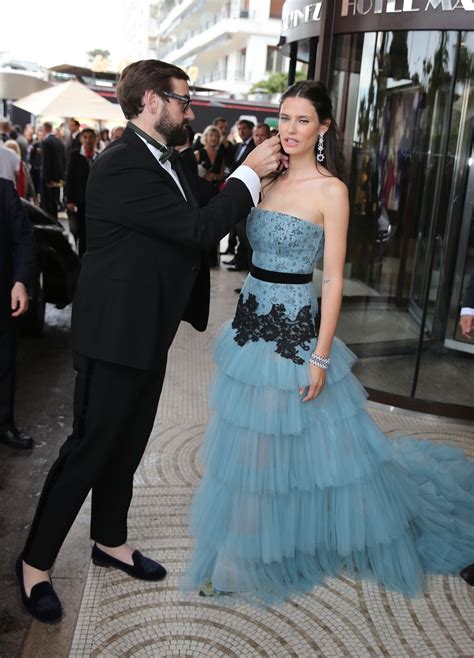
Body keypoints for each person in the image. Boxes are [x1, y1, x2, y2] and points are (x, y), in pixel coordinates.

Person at [183, 80, 474, 605]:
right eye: (283, 118)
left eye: (301, 120)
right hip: (249, 327)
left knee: (264, 450)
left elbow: (334, 280)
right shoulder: (264, 176)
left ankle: (240, 557)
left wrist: (321, 354)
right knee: (253, 442)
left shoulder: (331, 190)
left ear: (324, 127)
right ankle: (247, 545)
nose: (289, 130)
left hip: (292, 335)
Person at [17, 58, 284, 624]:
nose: (190, 110)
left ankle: (110, 540)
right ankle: (35, 564)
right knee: (90, 448)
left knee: (129, 444)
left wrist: (257, 181)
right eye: (184, 100)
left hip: (148, 330)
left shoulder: (169, 159)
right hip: (113, 335)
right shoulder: (119, 165)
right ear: (151, 101)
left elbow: (202, 204)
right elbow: (197, 230)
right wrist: (249, 175)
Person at [0, 179, 36, 450]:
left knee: (3, 362)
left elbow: (24, 238)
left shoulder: (4, 190)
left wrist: (21, 281)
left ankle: (4, 424)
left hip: (2, 295)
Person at [65, 128, 99, 256]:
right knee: (79, 232)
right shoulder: (75, 155)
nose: (88, 140)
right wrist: (70, 200)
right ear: (81, 139)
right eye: (85, 137)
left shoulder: (98, 156)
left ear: (95, 139)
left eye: (91, 137)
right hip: (79, 200)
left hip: (93, 202)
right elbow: (69, 178)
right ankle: (81, 258)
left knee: (90, 232)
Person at [39, 122, 66, 217]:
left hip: (49, 178)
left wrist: (46, 179)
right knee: (55, 202)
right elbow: (63, 160)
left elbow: (46, 162)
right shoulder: (59, 142)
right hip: (58, 178)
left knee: (47, 204)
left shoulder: (46, 142)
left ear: (45, 129)